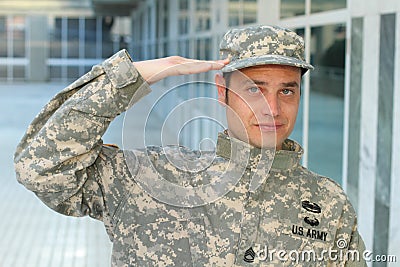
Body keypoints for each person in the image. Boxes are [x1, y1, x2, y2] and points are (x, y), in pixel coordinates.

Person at [14, 25, 366, 266]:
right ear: (221, 90)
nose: (271, 109)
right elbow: (41, 166)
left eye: (286, 90)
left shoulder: (328, 204)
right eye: (254, 89)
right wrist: (131, 76)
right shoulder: (148, 179)